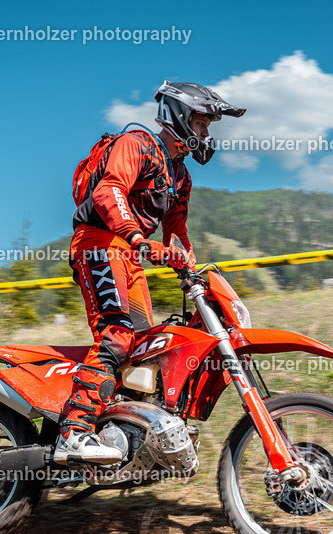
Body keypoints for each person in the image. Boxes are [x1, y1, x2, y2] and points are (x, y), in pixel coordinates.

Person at [54, 81, 246, 464]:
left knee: (145, 346)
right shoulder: (136, 144)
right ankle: (74, 433)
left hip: (130, 254)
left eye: (210, 125)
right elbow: (109, 192)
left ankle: (124, 432)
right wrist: (139, 238)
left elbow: (177, 233)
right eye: (202, 122)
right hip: (99, 244)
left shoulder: (181, 177)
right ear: (178, 116)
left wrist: (191, 270)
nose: (207, 132)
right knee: (117, 336)